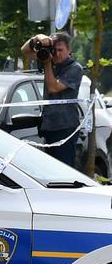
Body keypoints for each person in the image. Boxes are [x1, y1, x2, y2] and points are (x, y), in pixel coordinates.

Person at [21, 31, 87, 165]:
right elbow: (25, 51)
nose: (57, 54)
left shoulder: (75, 68)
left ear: (69, 50)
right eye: (54, 50)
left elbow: (53, 87)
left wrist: (47, 64)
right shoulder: (49, 59)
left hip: (65, 127)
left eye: (60, 50)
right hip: (49, 126)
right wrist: (37, 38)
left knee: (63, 167)